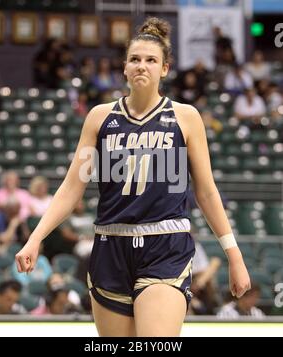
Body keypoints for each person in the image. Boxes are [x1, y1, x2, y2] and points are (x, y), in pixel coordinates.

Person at [15, 17, 251, 337]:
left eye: (151, 60)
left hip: (164, 245)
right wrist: (35, 237)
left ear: (164, 69)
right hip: (110, 245)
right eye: (135, 59)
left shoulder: (185, 117)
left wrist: (233, 255)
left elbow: (207, 192)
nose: (142, 66)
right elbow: (72, 188)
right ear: (124, 68)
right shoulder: (100, 118)